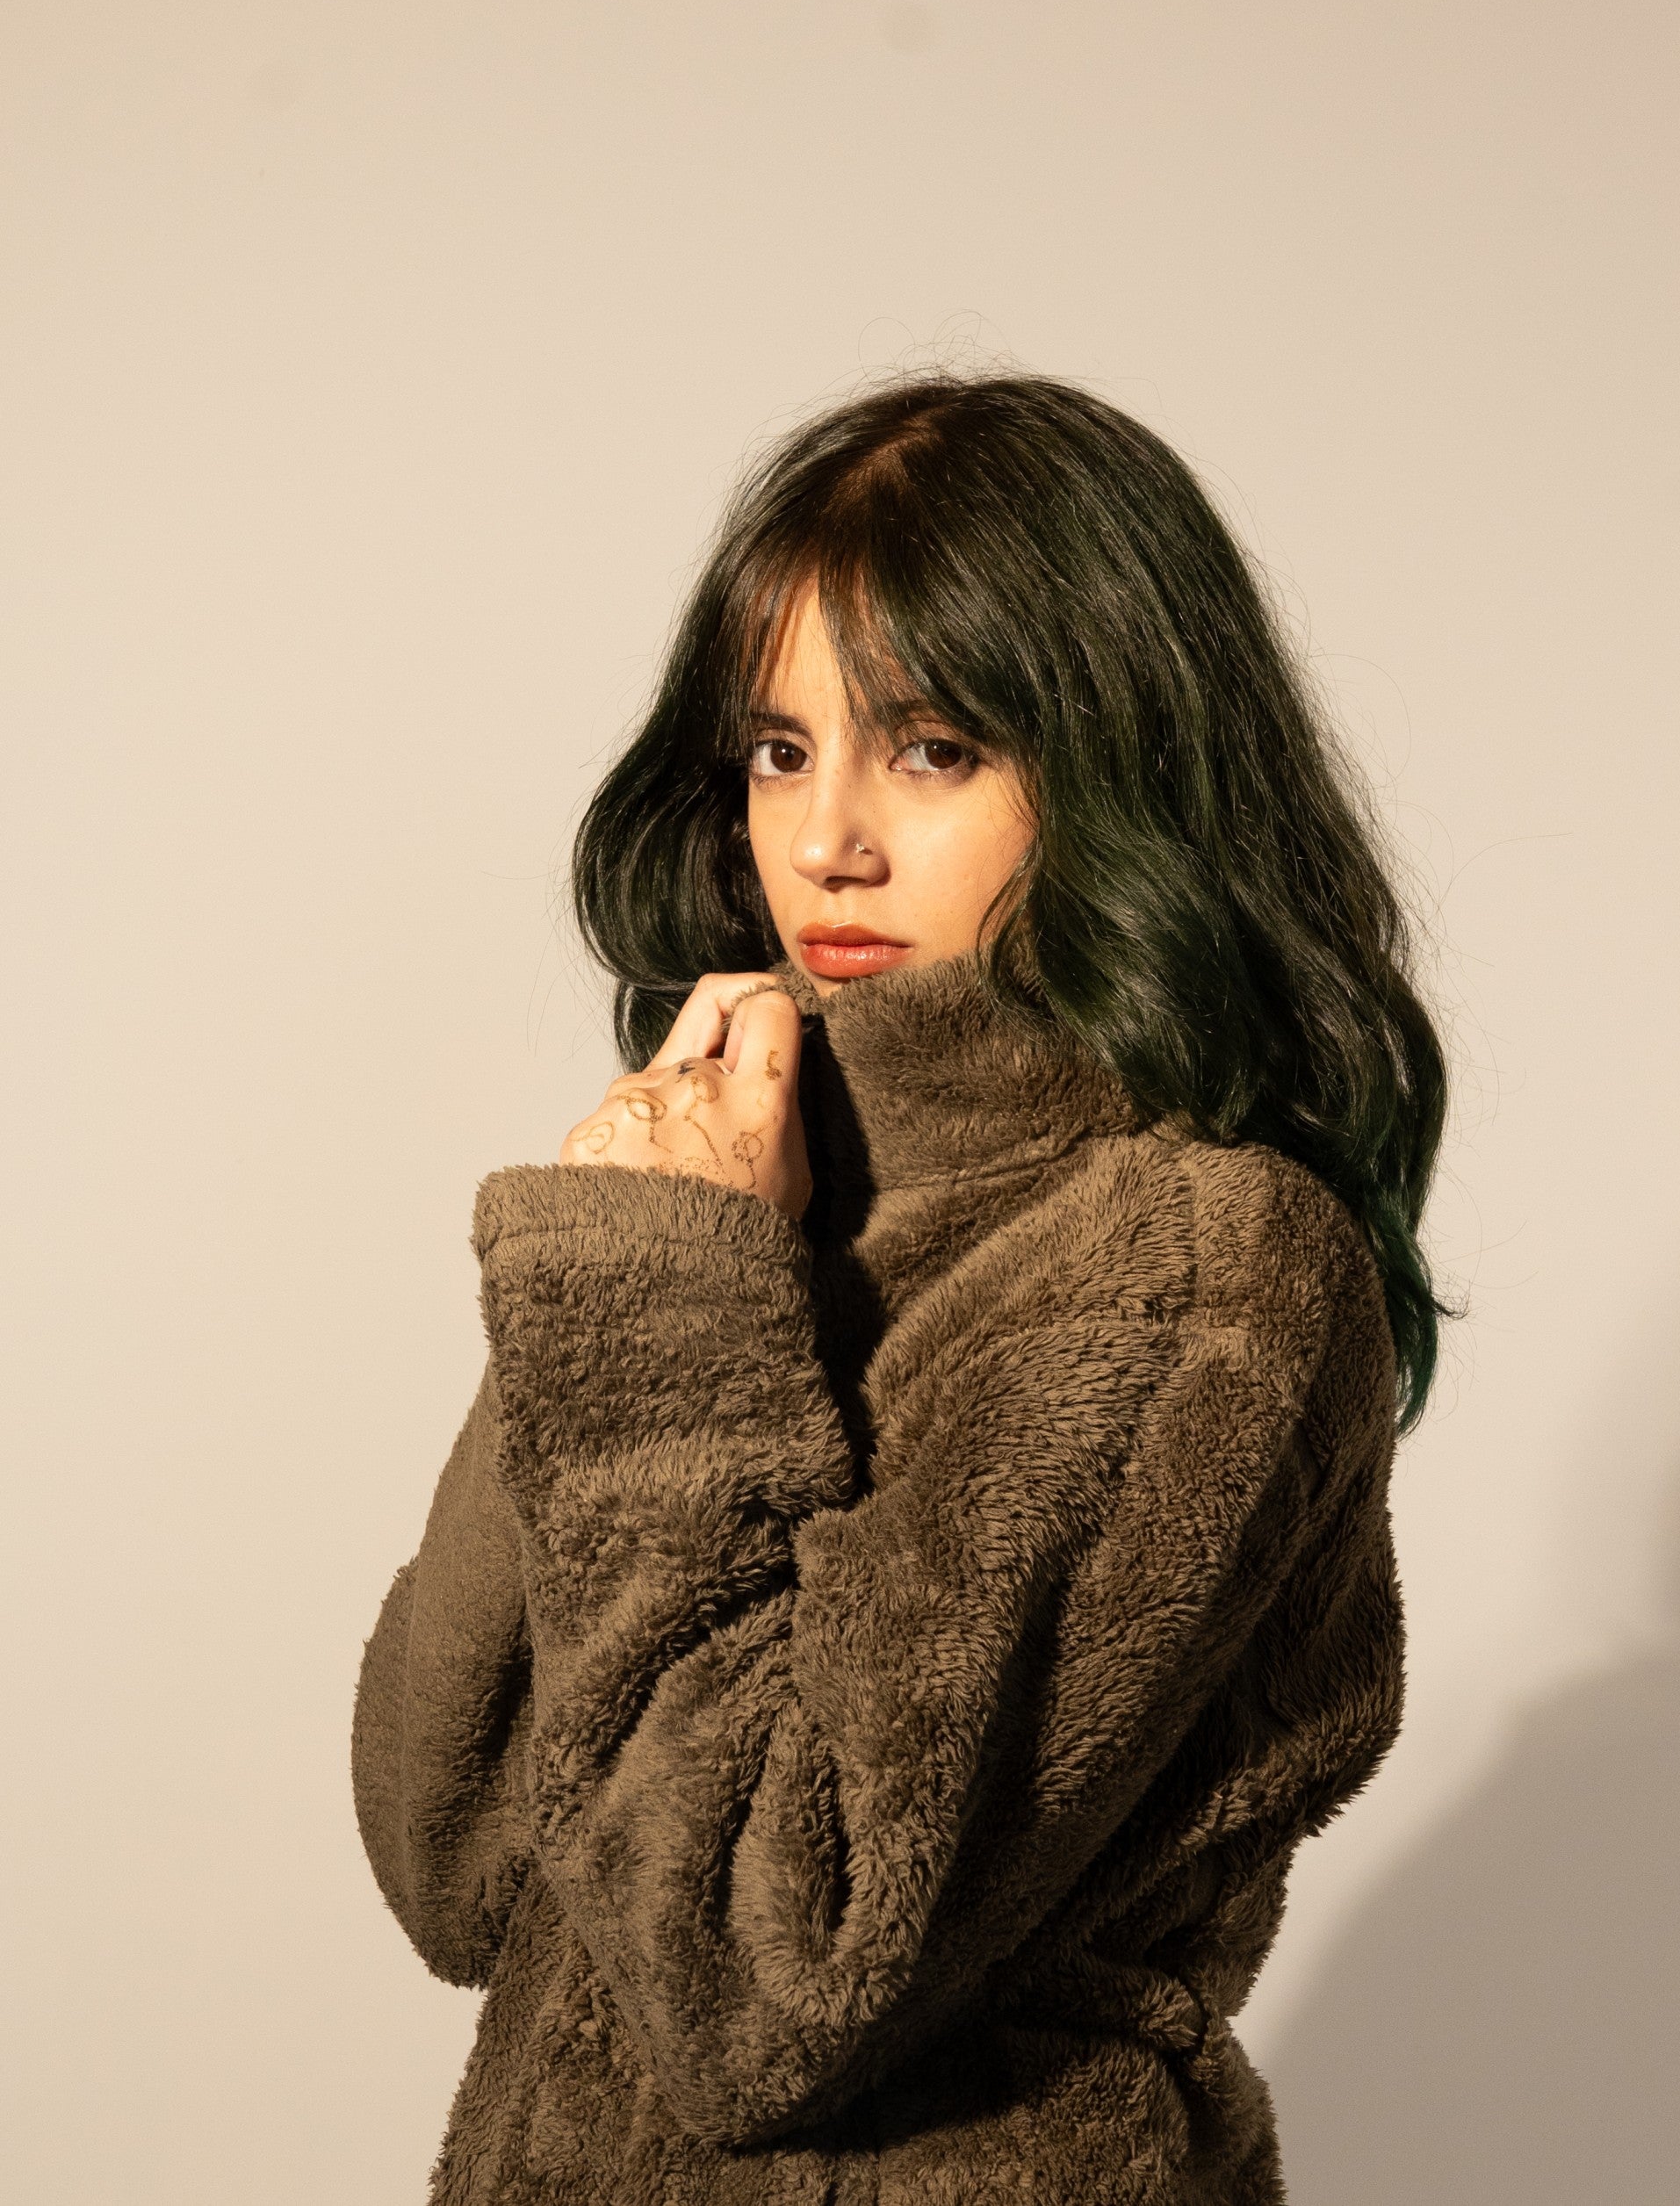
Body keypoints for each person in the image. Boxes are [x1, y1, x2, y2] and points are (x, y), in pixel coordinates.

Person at [351, 371, 1450, 2205]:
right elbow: (450, 1846)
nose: (826, 840)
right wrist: (621, 1267)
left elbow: (757, 1980)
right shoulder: (741, 1207)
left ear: (1122, 771)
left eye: (932, 748)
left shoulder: (1197, 1270)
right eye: (780, 749)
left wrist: (666, 1321)